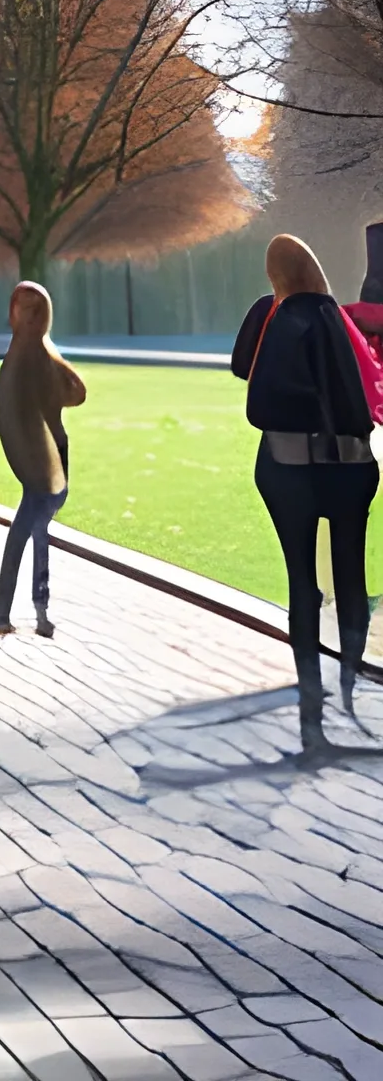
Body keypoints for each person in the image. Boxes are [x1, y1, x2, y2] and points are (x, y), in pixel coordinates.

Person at [231, 233, 380, 747]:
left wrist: (265, 309)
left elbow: (246, 376)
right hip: (353, 465)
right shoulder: (343, 320)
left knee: (303, 582)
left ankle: (311, 699)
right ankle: (349, 689)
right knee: (351, 576)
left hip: (288, 465)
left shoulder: (279, 318)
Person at [0, 282, 85, 639]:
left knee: (29, 535)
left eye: (34, 311)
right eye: (22, 310)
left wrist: (52, 358)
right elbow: (8, 412)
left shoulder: (36, 358)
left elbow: (77, 392)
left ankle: (19, 611)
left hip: (51, 460)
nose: (27, 317)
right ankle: (31, 611)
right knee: (31, 535)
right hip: (40, 464)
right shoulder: (25, 359)